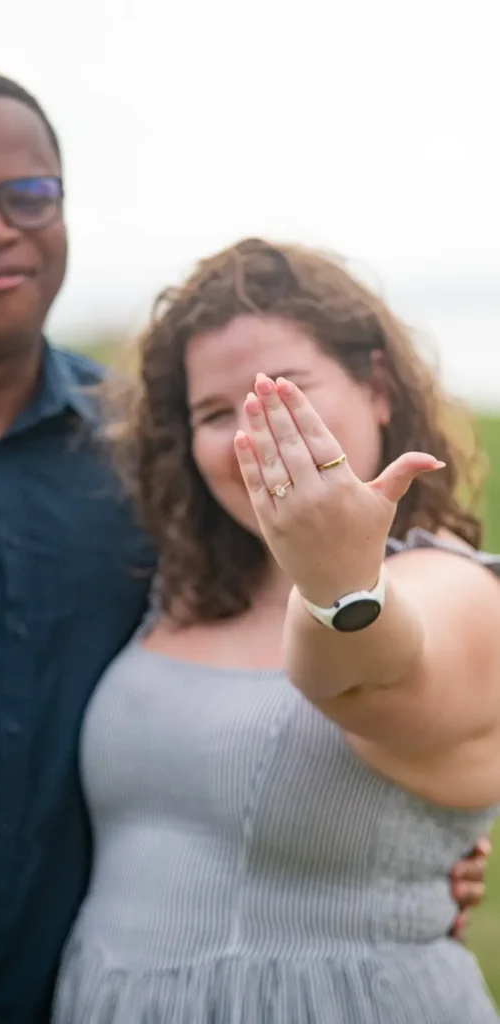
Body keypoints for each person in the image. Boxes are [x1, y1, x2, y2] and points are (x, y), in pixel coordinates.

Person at [0, 68, 487, 1023]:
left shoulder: (134, 455)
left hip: (46, 989)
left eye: (28, 195)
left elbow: (372, 674)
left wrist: (416, 845)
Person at [52, 239, 500, 1023]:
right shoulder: (178, 591)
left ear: (377, 388)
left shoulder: (456, 589)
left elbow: (367, 672)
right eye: (213, 415)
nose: (246, 439)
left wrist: (340, 584)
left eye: (279, 396)